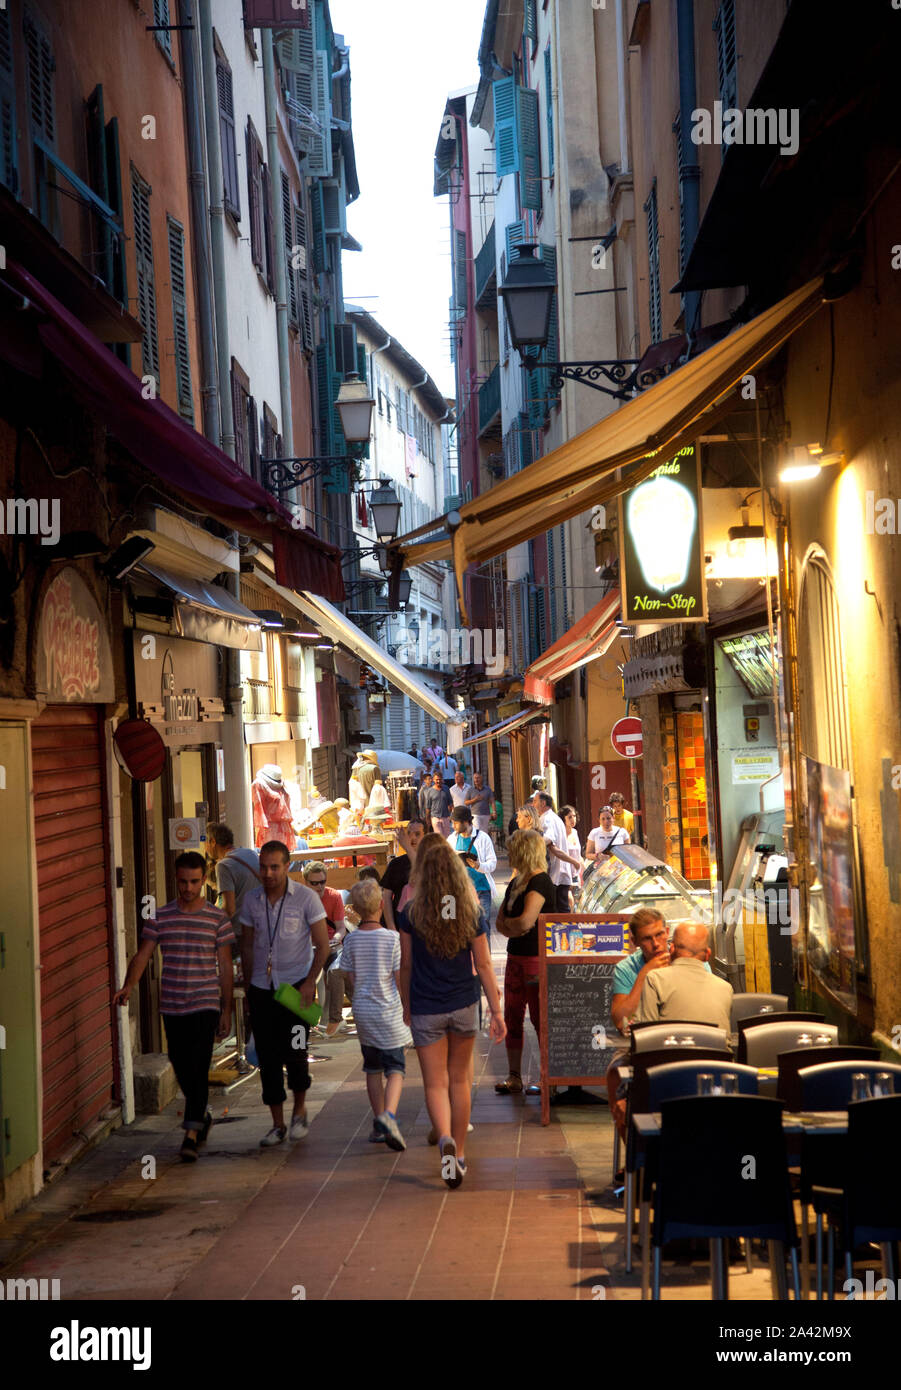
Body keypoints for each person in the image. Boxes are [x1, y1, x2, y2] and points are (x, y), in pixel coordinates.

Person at [113, 851, 234, 1162]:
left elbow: (225, 967)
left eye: (194, 882)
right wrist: (129, 986)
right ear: (175, 880)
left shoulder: (217, 919)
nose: (188, 888)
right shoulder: (160, 917)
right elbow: (143, 955)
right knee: (182, 1067)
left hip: (205, 1004)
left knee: (198, 1066)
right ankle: (202, 1117)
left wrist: (227, 1009)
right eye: (183, 882)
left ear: (204, 881)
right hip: (172, 1005)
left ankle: (191, 1134)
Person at [398, 839, 506, 1188]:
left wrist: (406, 1005)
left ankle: (443, 1135)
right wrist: (496, 1010)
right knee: (460, 1081)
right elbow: (485, 964)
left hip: (427, 1006)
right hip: (463, 1004)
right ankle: (458, 1153)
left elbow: (406, 965)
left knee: (435, 1083)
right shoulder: (470, 912)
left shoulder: (411, 913)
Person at [240, 841, 331, 1146]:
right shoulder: (251, 901)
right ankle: (277, 1124)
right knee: (267, 1058)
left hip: (295, 989)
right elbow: (248, 945)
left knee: (296, 1052)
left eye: (275, 866)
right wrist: (250, 986)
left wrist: (309, 982)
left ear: (287, 866)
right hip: (262, 990)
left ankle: (300, 1110)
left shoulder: (305, 899)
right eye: (264, 866)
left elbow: (323, 946)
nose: (268, 873)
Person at [339, 877, 413, 1150]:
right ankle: (389, 1116)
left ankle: (378, 1122)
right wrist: (408, 1007)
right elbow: (399, 977)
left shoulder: (352, 941)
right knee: (396, 1067)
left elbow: (349, 976)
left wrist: (358, 993)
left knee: (372, 1068)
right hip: (389, 1010)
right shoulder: (392, 939)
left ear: (356, 910)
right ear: (382, 905)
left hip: (363, 1011)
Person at [494, 829, 556, 1096]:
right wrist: (513, 927)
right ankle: (514, 1076)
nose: (509, 854)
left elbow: (525, 922)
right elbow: (501, 923)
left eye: (512, 849)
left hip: (535, 959)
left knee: (539, 1019)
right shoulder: (516, 882)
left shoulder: (540, 882)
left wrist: (512, 926)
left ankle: (547, 1079)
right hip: (515, 957)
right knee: (513, 1015)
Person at [634, 921, 733, 1031]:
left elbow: (646, 1033)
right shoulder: (726, 988)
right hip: (716, 1048)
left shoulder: (654, 979)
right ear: (707, 955)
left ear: (671, 949)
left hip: (672, 1048)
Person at [301, 861, 349, 1037]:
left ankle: (333, 1019)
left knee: (336, 970)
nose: (319, 886)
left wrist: (336, 939)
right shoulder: (300, 899)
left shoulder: (334, 896)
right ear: (306, 882)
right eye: (314, 883)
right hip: (308, 948)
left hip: (330, 945)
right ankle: (308, 1023)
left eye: (322, 882)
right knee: (303, 976)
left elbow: (341, 928)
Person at [447, 804, 497, 933]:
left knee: (483, 927)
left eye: (455, 823)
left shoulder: (483, 838)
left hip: (481, 890)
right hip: (459, 891)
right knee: (462, 928)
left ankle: (485, 953)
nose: (453, 826)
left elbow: (492, 863)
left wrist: (479, 865)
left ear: (466, 822)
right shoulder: (451, 840)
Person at [206, 823, 260, 938]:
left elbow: (229, 909)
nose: (205, 849)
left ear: (213, 842)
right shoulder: (251, 853)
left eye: (205, 842)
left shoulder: (223, 865)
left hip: (240, 933)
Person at [532, 791, 582, 911]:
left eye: (535, 801)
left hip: (555, 873)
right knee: (561, 909)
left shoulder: (547, 819)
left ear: (543, 803)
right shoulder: (552, 817)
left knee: (558, 910)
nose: (533, 805)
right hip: (560, 873)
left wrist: (531, 847)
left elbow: (549, 839)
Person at [380, 819, 425, 929]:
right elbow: (386, 896)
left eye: (417, 834)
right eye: (409, 833)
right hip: (400, 924)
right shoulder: (396, 864)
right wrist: (391, 926)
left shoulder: (431, 861)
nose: (412, 837)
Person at [560, 805, 584, 892]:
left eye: (574, 816)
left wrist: (584, 870)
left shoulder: (575, 832)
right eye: (569, 817)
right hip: (565, 874)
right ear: (563, 818)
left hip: (576, 874)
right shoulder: (561, 835)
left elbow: (578, 855)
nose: (573, 819)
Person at [422, 770, 452, 837]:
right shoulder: (430, 791)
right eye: (436, 779)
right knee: (439, 837)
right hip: (435, 817)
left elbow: (450, 803)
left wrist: (450, 816)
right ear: (433, 780)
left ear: (442, 779)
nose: (438, 781)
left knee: (447, 837)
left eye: (439, 779)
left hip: (445, 817)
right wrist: (427, 819)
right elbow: (428, 807)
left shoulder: (446, 789)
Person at [465, 771, 496, 835]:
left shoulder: (488, 789)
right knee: (477, 831)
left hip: (486, 814)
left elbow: (492, 801)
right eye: (475, 778)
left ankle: (483, 844)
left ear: (482, 778)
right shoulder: (471, 789)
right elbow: (466, 802)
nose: (476, 780)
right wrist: (475, 800)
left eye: (478, 778)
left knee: (485, 833)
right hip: (475, 815)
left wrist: (494, 812)